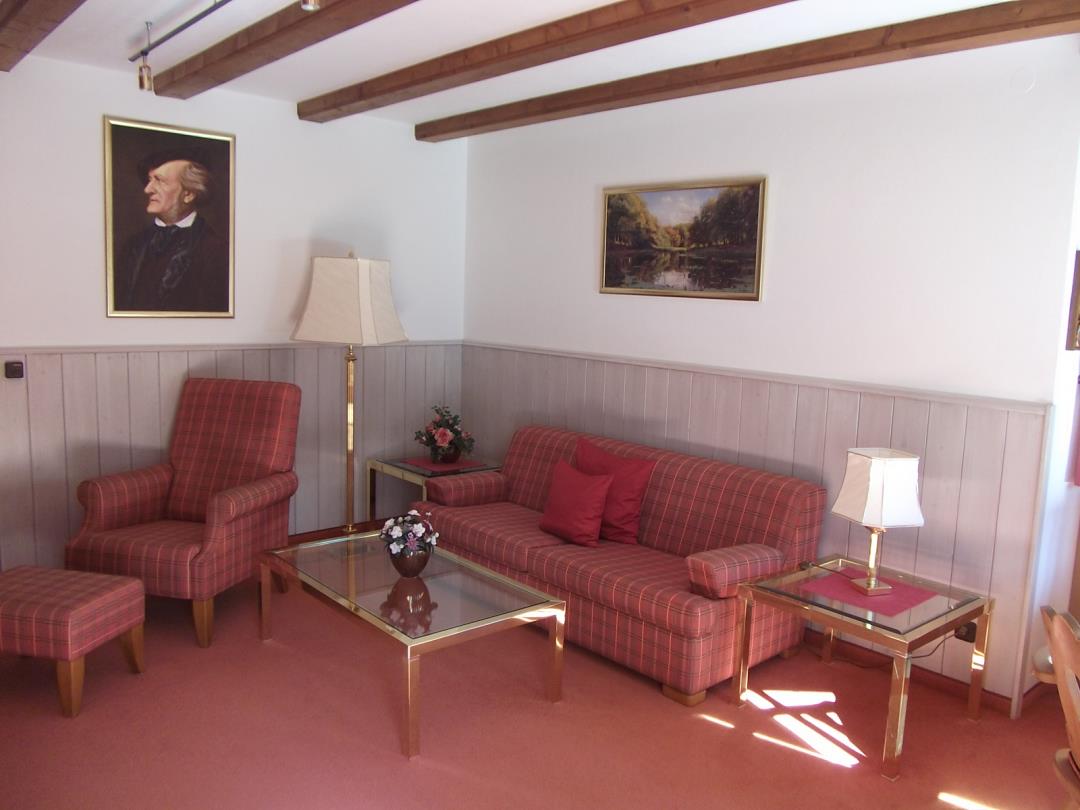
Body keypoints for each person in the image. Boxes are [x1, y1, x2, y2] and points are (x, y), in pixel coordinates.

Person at [113, 148, 229, 313]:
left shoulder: (217, 251)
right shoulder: (133, 245)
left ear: (188, 194)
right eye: (149, 180)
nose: (148, 189)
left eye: (159, 180)